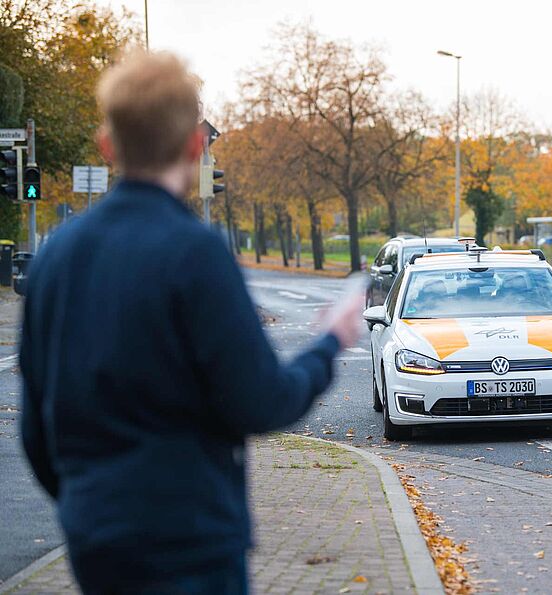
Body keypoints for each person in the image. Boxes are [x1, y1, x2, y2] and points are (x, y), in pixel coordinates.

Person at [18, 51, 363, 594]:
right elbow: (262, 401)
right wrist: (329, 342)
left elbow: (37, 428)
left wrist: (91, 507)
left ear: (109, 147)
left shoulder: (56, 257)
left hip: (96, 541)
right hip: (191, 540)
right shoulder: (196, 253)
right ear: (195, 144)